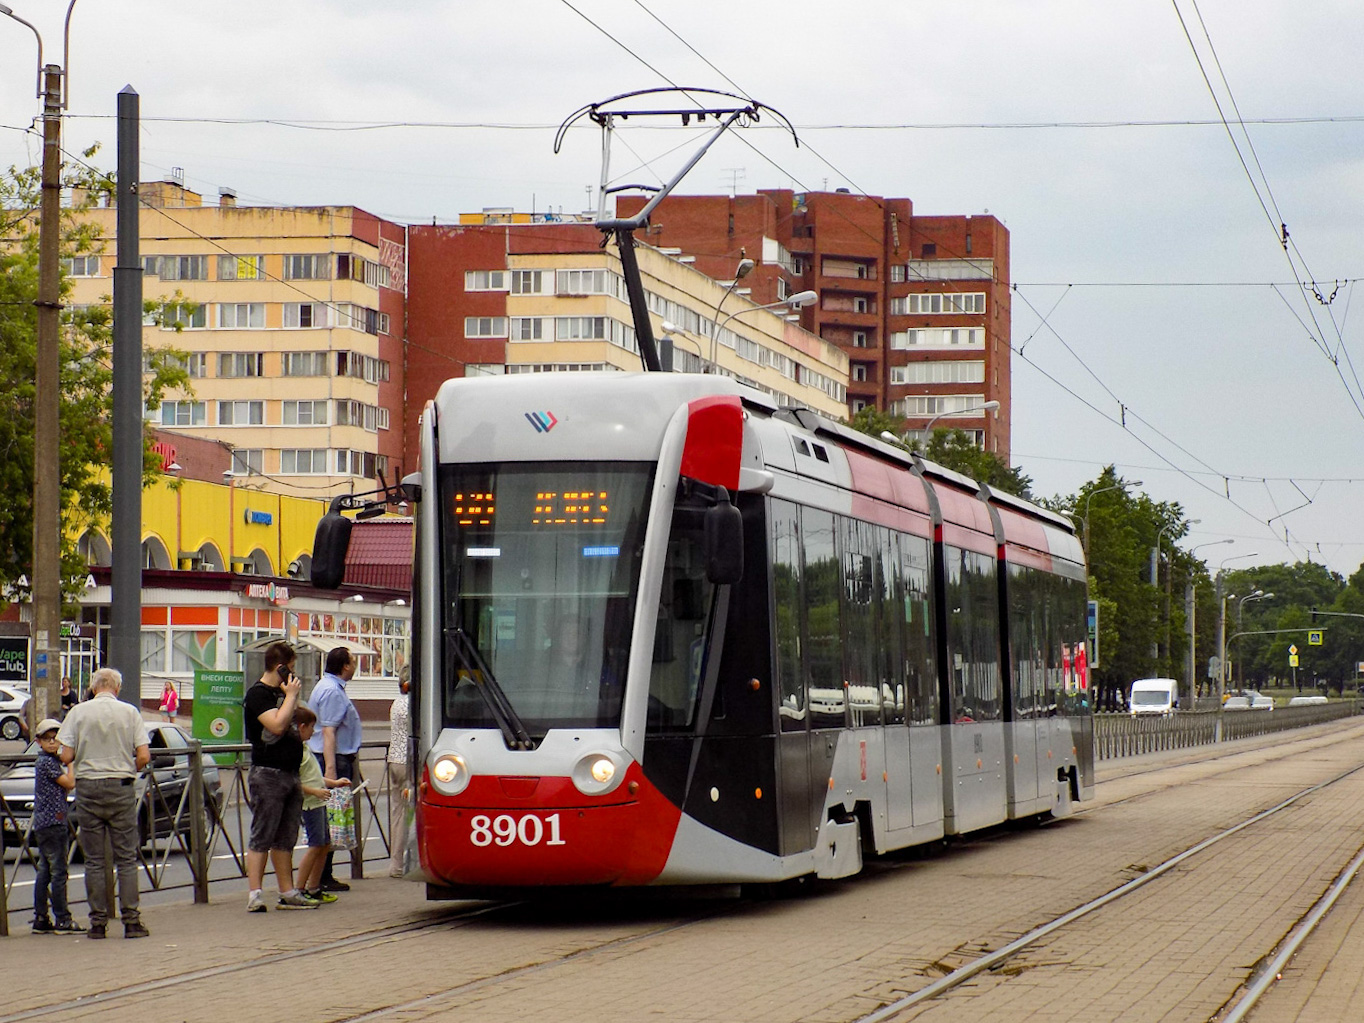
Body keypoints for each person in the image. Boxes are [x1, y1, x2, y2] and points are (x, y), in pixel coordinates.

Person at [56, 667, 151, 939]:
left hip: (87, 787)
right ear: (117, 688)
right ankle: (131, 921)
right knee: (126, 858)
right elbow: (143, 756)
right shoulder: (130, 712)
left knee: (95, 860)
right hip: (120, 786)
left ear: (94, 687)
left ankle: (97, 923)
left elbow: (66, 756)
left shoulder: (78, 712)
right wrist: (126, 764)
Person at [243, 642, 317, 912]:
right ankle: (255, 894)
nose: (294, 674)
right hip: (267, 772)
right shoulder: (258, 694)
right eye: (292, 668)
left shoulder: (285, 693)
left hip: (290, 772)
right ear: (280, 667)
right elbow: (276, 723)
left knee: (286, 836)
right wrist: (291, 696)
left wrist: (291, 696)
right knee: (263, 833)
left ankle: (287, 892)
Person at [308, 646, 362, 892]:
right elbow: (329, 731)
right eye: (353, 661)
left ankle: (323, 874)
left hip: (335, 757)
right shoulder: (332, 691)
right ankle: (322, 876)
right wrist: (330, 770)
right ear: (345, 666)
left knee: (331, 818)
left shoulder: (329, 687)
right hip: (332, 759)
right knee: (331, 817)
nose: (355, 665)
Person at [30, 718, 84, 934]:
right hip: (54, 822)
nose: (53, 743)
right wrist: (70, 762)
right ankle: (62, 918)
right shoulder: (47, 763)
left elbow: (62, 789)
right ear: (38, 742)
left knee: (44, 870)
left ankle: (41, 918)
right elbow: (70, 783)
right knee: (58, 871)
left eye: (56, 739)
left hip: (45, 821)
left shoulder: (48, 762)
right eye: (47, 739)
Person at [294, 705, 350, 903]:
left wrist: (333, 783)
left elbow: (315, 777)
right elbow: (297, 783)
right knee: (316, 844)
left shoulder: (305, 748)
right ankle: (299, 888)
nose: (313, 732)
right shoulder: (296, 752)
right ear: (301, 727)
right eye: (311, 727)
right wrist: (316, 791)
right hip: (310, 803)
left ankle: (314, 887)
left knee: (324, 843)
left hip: (318, 801)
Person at [387, 666, 411, 878]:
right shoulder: (412, 706)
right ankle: (403, 863)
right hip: (407, 763)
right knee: (408, 814)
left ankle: (396, 864)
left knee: (397, 814)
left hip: (394, 760)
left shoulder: (396, 704)